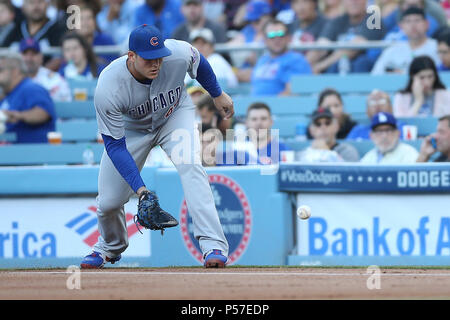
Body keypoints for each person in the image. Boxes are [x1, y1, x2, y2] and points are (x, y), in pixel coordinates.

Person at [80, 25, 233, 269]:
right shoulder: (108, 86)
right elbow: (115, 147)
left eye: (159, 56)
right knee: (108, 202)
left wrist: (217, 93)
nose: (156, 63)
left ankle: (213, 245)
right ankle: (110, 247)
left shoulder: (177, 52)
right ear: (131, 56)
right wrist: (141, 191)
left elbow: (199, 62)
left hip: (174, 117)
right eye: (149, 58)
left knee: (191, 166)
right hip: (130, 132)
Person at [311, 0, 385, 74]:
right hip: (337, 69)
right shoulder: (338, 21)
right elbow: (321, 46)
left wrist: (320, 66)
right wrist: (307, 65)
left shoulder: (374, 20)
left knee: (360, 62)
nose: (353, 2)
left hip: (362, 73)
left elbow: (352, 49)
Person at [0, 52, 56, 143]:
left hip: (35, 152)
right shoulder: (7, 94)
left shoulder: (30, 88)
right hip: (12, 152)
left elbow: (43, 113)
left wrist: (18, 116)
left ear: (15, 71)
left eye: (0, 69)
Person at [249, 19, 312, 95]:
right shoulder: (262, 60)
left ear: (288, 37)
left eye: (281, 34)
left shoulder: (296, 60)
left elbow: (293, 93)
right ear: (265, 39)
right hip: (255, 105)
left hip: (278, 105)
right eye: (271, 35)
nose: (277, 39)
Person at [217, 102, 291, 166]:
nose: (259, 123)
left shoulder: (282, 150)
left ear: (271, 122)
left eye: (263, 118)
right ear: (246, 123)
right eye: (254, 119)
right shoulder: (237, 148)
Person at [371, 7, 440, 75]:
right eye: (408, 21)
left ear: (427, 24)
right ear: (401, 26)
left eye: (417, 20)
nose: (413, 25)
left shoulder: (438, 48)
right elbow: (375, 75)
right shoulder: (392, 50)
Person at [6, 0, 67, 65]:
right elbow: (3, 54)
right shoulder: (15, 29)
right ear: (23, 7)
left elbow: (61, 58)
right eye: (31, 2)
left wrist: (40, 73)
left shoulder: (58, 29)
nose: (36, 7)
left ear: (47, 5)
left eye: (40, 2)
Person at [20, 38, 72, 102]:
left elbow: (66, 105)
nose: (29, 59)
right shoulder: (11, 80)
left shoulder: (54, 79)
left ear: (41, 57)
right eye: (25, 54)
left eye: (33, 54)